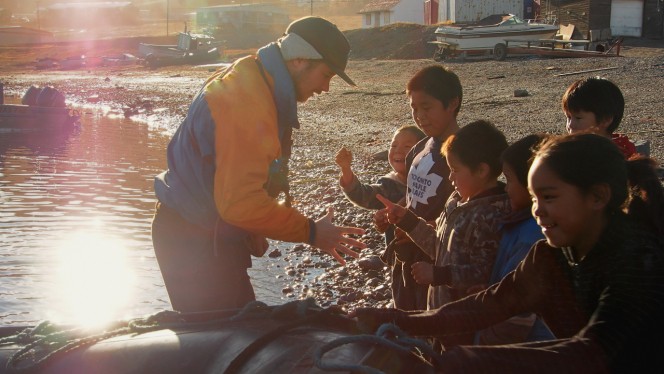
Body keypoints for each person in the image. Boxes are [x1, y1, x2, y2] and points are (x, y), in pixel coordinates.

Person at [353, 133, 664, 373]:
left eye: (549, 197)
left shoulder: (639, 261)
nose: (537, 211)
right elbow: (488, 306)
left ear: (598, 197)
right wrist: (394, 319)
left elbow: (591, 353)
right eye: (533, 197)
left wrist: (475, 360)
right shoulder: (550, 256)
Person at [151, 16, 367, 313]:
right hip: (193, 240)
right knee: (226, 343)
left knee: (237, 332)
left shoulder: (256, 75)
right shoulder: (249, 101)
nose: (326, 88)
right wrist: (312, 232)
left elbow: (234, 179)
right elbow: (239, 204)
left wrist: (250, 228)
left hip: (200, 230)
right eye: (326, 74)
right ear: (300, 60)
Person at [379, 120, 510, 347]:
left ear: (482, 170)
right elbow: (438, 245)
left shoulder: (489, 215)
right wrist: (409, 222)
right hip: (441, 312)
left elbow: (484, 273)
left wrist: (439, 275)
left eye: (455, 171)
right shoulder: (455, 201)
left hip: (464, 322)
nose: (450, 178)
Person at [376, 65, 462, 311]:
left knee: (431, 324)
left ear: (452, 103)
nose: (419, 116)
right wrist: (393, 214)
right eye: (414, 108)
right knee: (404, 317)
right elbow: (413, 196)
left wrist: (417, 227)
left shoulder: (463, 155)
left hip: (435, 263)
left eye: (427, 107)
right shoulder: (419, 149)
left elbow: (466, 211)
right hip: (405, 257)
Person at [473, 133, 554, 345]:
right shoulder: (518, 223)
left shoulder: (532, 237)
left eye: (509, 179)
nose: (505, 188)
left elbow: (519, 315)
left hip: (526, 350)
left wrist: (483, 346)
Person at [335, 125, 425, 308]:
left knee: (427, 296)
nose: (398, 150)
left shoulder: (430, 184)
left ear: (424, 153)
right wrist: (346, 170)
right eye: (393, 146)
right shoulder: (389, 184)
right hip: (400, 256)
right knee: (403, 295)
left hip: (427, 251)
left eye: (407, 146)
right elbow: (364, 195)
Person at [562, 76, 637, 158]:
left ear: (605, 120)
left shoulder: (618, 155)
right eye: (568, 117)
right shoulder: (568, 150)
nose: (570, 125)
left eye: (578, 118)